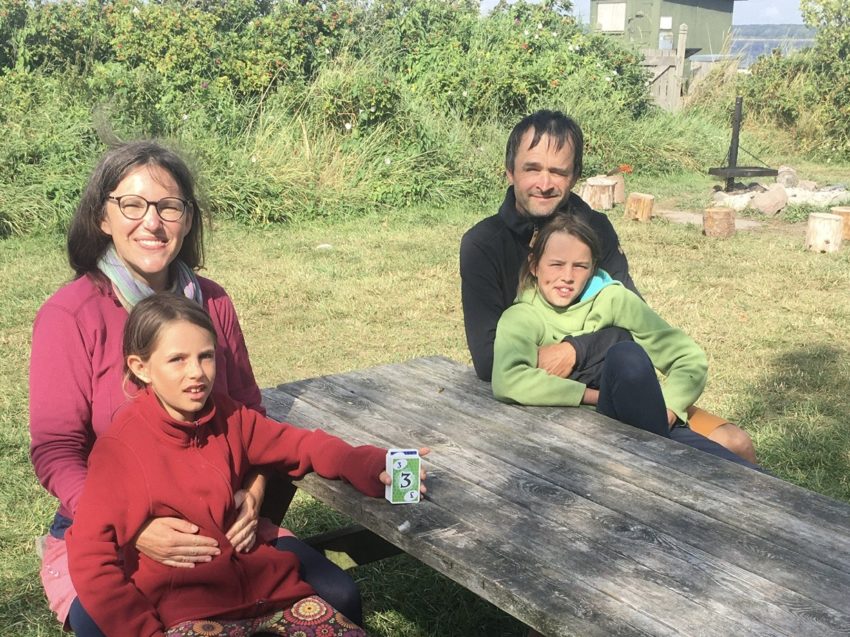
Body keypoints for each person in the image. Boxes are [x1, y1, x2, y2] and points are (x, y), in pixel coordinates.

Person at [28, 141, 364, 635]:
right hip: (110, 533)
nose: (152, 222)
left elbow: (248, 412)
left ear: (187, 219)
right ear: (102, 217)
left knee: (340, 596)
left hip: (217, 515)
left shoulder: (212, 301)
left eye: (169, 206)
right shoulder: (69, 316)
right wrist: (135, 528)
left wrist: (253, 490)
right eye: (132, 205)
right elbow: (57, 451)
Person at [66, 292, 427, 636]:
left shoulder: (230, 416)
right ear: (141, 367)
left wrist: (368, 464)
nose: (197, 372)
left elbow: (303, 445)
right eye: (177, 359)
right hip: (189, 613)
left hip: (273, 593)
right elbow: (90, 556)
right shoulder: (121, 449)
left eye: (206, 356)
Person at [459, 110, 757, 463]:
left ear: (574, 177)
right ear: (510, 171)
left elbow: (633, 327)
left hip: (616, 384)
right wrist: (601, 349)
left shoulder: (595, 228)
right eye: (532, 168)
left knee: (737, 444)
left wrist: (574, 350)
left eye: (558, 171)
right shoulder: (482, 243)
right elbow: (491, 362)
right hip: (549, 403)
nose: (545, 182)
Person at [491, 214, 758, 469]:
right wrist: (595, 397)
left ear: (592, 268)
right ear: (535, 265)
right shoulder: (521, 316)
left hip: (643, 422)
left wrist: (669, 407)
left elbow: (688, 358)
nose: (568, 276)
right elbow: (508, 379)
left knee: (742, 475)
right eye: (556, 264)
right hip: (577, 431)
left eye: (580, 266)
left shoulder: (614, 300)